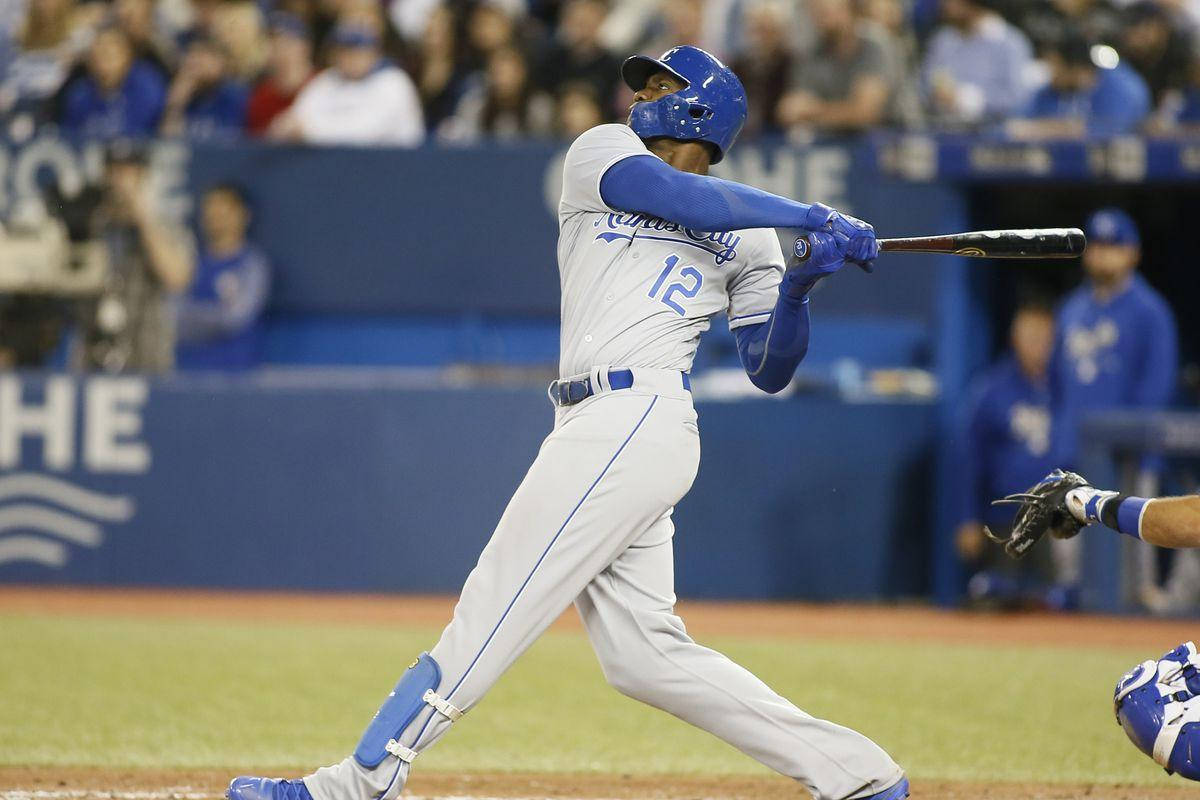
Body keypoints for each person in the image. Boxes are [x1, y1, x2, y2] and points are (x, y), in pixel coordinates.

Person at [224, 45, 909, 800]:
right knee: (645, 658)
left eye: (660, 84)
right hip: (597, 420)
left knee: (495, 599)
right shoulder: (605, 153)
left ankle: (359, 783)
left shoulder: (752, 238)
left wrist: (800, 288)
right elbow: (686, 200)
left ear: (703, 108)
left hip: (640, 414)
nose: (642, 94)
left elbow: (769, 369)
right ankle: (860, 776)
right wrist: (810, 217)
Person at [955, 298, 1060, 605]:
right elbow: (968, 460)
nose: (1037, 346)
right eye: (1030, 338)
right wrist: (967, 519)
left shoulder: (1064, 389)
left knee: (1053, 606)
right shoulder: (991, 389)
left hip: (1056, 519)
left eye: (1043, 339)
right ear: (1015, 339)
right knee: (996, 601)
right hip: (1004, 519)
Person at [78, 140, 194, 372]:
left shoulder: (167, 227)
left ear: (143, 175)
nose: (119, 179)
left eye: (128, 171)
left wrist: (142, 216)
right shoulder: (89, 227)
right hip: (92, 358)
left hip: (147, 358)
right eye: (113, 170)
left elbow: (177, 278)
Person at [270, 21, 424, 145]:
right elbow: (297, 117)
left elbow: (365, 132)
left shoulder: (393, 81)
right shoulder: (328, 80)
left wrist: (310, 130)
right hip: (343, 169)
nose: (349, 57)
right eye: (343, 50)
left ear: (374, 53)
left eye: (356, 50)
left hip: (396, 169)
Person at [175, 184, 271, 370]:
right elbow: (174, 315)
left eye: (223, 210)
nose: (215, 217)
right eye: (210, 210)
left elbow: (234, 318)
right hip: (188, 369)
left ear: (244, 214)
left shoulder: (252, 264)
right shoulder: (190, 263)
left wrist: (194, 317)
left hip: (238, 371)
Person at [1007, 29, 1151, 139]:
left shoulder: (1120, 87)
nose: (1049, 72)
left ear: (1076, 69)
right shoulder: (1050, 90)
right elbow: (1014, 126)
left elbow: (1115, 133)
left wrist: (1059, 129)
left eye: (1054, 66)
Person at [777, 0, 892, 135]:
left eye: (829, 10)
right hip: (833, 143)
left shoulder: (874, 47)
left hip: (894, 138)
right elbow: (791, 111)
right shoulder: (812, 54)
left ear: (850, 9)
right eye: (817, 11)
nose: (822, 16)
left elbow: (867, 113)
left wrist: (814, 110)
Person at [920, 0, 1034, 127]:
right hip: (941, 129)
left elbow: (1017, 98)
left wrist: (969, 99)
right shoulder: (942, 40)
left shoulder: (1011, 43)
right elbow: (924, 84)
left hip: (993, 135)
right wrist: (937, 94)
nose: (944, 5)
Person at [57, 23, 167, 140]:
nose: (102, 63)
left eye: (109, 55)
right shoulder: (79, 94)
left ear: (127, 56)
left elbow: (145, 133)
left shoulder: (146, 86)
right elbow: (70, 138)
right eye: (97, 55)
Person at [160, 35, 248, 140]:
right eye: (192, 55)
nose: (195, 62)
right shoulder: (179, 93)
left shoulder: (234, 95)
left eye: (203, 56)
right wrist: (175, 105)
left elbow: (229, 142)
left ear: (221, 63)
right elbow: (165, 142)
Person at [246, 12, 314, 136]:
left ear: (305, 47)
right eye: (274, 43)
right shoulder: (261, 97)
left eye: (288, 42)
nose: (281, 49)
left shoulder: (324, 84)